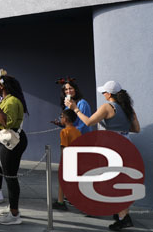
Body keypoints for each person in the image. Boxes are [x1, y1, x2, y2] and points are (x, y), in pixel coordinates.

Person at [65, 80, 140, 230]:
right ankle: (121, 214)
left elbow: (88, 122)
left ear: (109, 94)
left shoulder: (107, 107)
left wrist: (74, 109)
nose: (103, 94)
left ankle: (124, 218)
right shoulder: (127, 108)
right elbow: (136, 129)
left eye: (104, 92)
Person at [0, 73, 28, 225]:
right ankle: (12, 206)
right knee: (9, 174)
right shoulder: (6, 100)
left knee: (10, 176)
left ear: (2, 86)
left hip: (11, 141)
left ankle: (14, 214)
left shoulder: (11, 101)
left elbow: (6, 123)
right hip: (5, 140)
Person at [52, 109, 81, 211]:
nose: (60, 118)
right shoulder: (77, 131)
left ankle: (60, 202)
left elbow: (64, 147)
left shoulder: (64, 131)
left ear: (66, 119)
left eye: (61, 117)